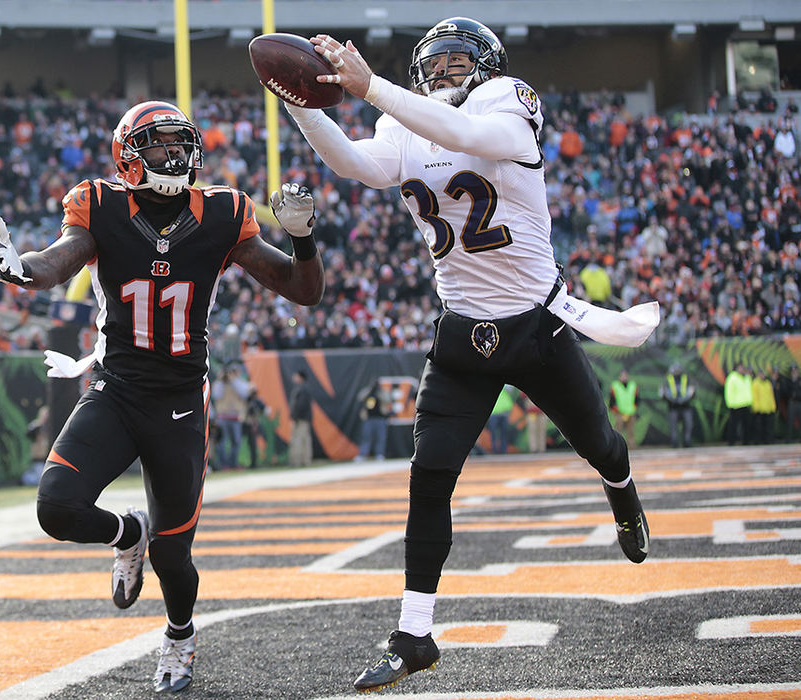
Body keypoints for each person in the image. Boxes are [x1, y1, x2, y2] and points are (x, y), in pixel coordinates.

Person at [281, 18, 656, 692]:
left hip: (535, 325)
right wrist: (297, 100)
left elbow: (468, 138)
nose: (447, 71)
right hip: (461, 332)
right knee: (429, 478)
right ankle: (413, 634)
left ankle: (621, 490)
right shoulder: (404, 120)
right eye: (437, 63)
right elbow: (356, 165)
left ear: (487, 67)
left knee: (599, 443)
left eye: (459, 61)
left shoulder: (507, 101)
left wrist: (373, 89)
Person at [0, 99, 324, 694]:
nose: (175, 154)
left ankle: (179, 637)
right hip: (115, 390)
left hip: (180, 401)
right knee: (56, 508)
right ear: (129, 158)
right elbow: (58, 260)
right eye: (160, 144)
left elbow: (302, 291)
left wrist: (302, 240)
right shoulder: (100, 204)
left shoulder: (223, 213)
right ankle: (126, 534)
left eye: (180, 143)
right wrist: (24, 269)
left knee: (174, 557)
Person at [659, 363, 695, 448]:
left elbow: (692, 390)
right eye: (675, 370)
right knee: (673, 426)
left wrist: (686, 398)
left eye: (678, 370)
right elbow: (662, 391)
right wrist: (670, 399)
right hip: (673, 406)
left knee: (688, 424)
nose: (677, 372)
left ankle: (687, 442)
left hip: (686, 406)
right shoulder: (668, 379)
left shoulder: (686, 378)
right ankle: (674, 443)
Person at [288, 370, 313, 466]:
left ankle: (298, 461)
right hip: (302, 418)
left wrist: (294, 416)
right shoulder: (301, 388)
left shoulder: (303, 389)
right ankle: (305, 461)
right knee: (304, 439)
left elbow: (300, 405)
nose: (294, 377)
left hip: (301, 419)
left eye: (296, 376)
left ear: (301, 378)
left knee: (299, 439)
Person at [724, 363, 753, 445]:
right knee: (733, 425)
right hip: (735, 405)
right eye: (740, 367)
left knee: (746, 425)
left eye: (743, 368)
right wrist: (730, 404)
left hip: (746, 404)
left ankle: (746, 442)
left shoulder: (747, 377)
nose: (742, 369)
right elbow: (729, 391)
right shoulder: (732, 377)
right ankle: (731, 442)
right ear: (736, 368)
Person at [609, 369, 639, 449]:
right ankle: (617, 447)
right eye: (622, 376)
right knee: (618, 431)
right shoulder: (615, 386)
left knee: (631, 432)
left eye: (626, 375)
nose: (624, 377)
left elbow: (637, 398)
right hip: (620, 412)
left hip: (631, 412)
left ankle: (632, 448)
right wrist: (615, 409)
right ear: (619, 377)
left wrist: (634, 408)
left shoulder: (633, 385)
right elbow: (612, 400)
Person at [751, 368, 776, 444]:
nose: (762, 375)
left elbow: (771, 396)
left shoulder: (768, 383)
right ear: (758, 374)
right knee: (759, 427)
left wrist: (773, 406)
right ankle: (758, 441)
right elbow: (755, 396)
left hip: (768, 409)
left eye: (763, 374)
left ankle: (768, 441)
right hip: (759, 409)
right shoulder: (755, 383)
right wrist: (756, 407)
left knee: (768, 427)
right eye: (761, 374)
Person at [488, 384, 515, 454]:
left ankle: (504, 451)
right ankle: (494, 450)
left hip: (504, 413)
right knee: (493, 433)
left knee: (504, 433)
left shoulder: (506, 387)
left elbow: (511, 389)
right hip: (494, 413)